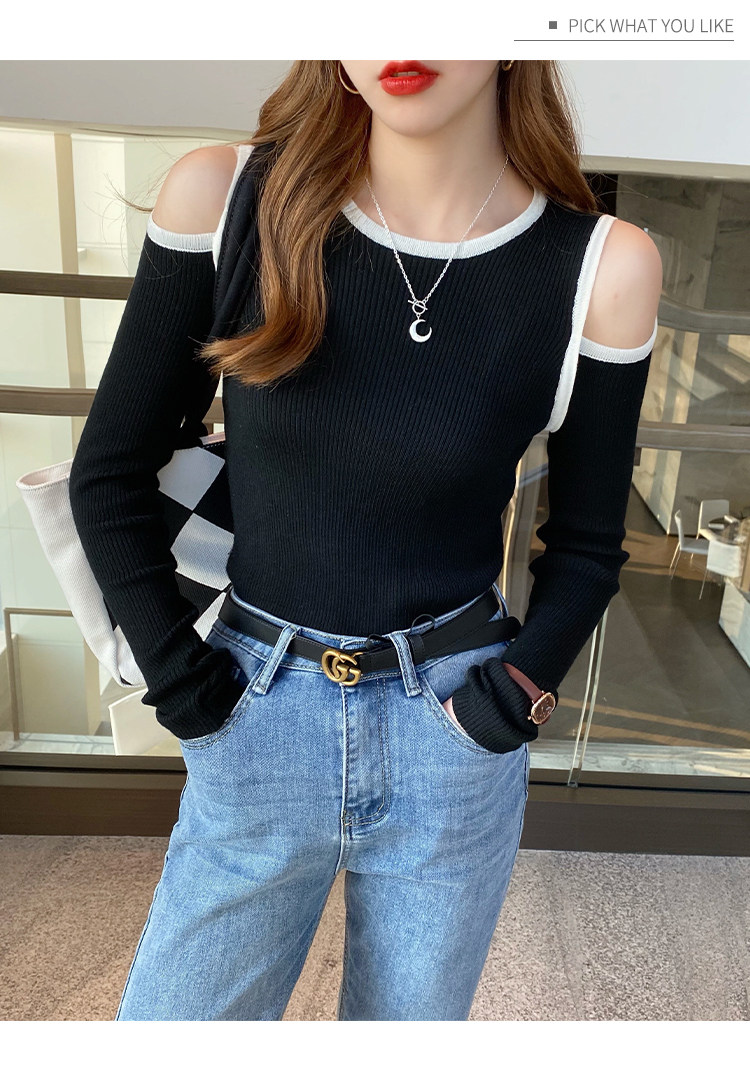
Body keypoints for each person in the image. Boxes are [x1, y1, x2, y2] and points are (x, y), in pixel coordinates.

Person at [68, 60, 662, 1021]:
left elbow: (589, 544)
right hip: (255, 704)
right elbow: (108, 474)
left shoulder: (601, 265)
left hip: (452, 726)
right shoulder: (229, 198)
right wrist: (182, 686)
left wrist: (509, 702)